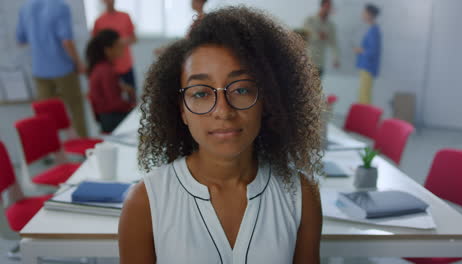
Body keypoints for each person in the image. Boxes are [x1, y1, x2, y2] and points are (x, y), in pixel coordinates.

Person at [119, 6, 323, 264]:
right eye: (201, 94)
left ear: (267, 100)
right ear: (182, 110)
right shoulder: (146, 202)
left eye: (241, 89)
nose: (223, 111)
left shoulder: (300, 195)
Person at [16, 0, 88, 137]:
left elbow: (21, 40)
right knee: (75, 108)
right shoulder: (60, 6)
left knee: (44, 114)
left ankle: (50, 151)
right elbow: (66, 41)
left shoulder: (25, 8)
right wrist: (78, 63)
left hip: (40, 69)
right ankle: (83, 146)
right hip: (63, 69)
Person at [86, 29, 134, 133]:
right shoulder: (106, 70)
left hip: (106, 118)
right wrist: (133, 105)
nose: (123, 48)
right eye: (119, 45)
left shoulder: (99, 67)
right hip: (111, 119)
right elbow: (114, 104)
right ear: (108, 50)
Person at [93, 0, 137, 90]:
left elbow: (134, 38)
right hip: (109, 67)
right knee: (113, 95)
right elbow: (96, 44)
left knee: (132, 92)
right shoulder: (99, 21)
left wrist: (122, 42)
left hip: (126, 64)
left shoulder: (125, 16)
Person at [303, 0, 340, 77]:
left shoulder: (331, 26)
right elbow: (302, 37)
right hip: (307, 61)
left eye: (330, 7)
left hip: (320, 63)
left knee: (316, 88)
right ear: (322, 6)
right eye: (327, 6)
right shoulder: (310, 20)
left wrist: (336, 58)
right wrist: (317, 36)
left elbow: (334, 43)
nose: (328, 9)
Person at [354, 4, 381, 104]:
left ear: (370, 14)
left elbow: (372, 52)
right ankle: (363, 117)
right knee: (362, 95)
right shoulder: (371, 29)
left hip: (368, 67)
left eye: (364, 13)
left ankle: (366, 118)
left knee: (364, 96)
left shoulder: (374, 30)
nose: (362, 15)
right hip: (365, 67)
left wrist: (360, 50)